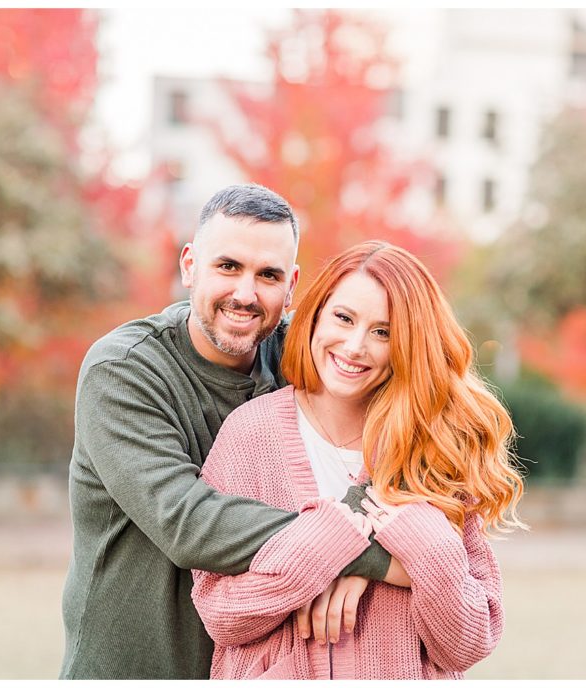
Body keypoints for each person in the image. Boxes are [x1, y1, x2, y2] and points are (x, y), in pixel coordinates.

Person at [59, 184, 403, 680]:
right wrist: (362, 551)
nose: (245, 293)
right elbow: (186, 521)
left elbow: (415, 424)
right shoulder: (125, 370)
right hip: (135, 669)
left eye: (268, 275)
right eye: (228, 267)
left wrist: (362, 515)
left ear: (291, 287)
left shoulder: (310, 358)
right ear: (189, 265)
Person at [191, 241, 527, 679]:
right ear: (315, 316)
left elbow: (468, 642)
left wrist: (429, 551)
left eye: (383, 332)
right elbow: (222, 615)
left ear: (408, 344)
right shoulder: (250, 434)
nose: (354, 346)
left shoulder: (434, 450)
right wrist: (333, 550)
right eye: (344, 318)